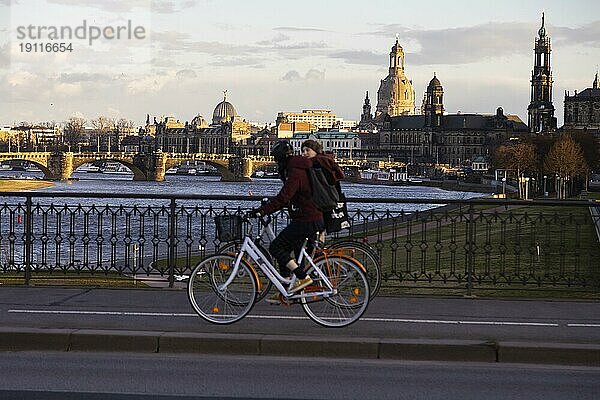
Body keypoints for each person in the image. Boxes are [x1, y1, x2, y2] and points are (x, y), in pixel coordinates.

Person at [250, 140, 324, 303]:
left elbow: (285, 197)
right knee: (286, 252)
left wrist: (264, 210)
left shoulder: (295, 171)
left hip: (307, 219)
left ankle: (302, 278)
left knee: (276, 247)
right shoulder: (297, 167)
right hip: (307, 217)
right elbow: (288, 195)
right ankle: (287, 292)